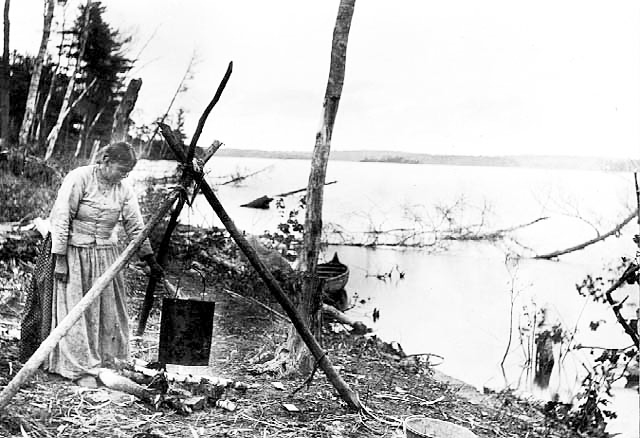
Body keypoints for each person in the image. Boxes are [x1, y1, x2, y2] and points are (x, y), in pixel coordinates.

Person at [20, 142, 162, 386]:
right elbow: (62, 218)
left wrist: (149, 258)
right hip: (74, 253)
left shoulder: (124, 189)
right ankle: (79, 367)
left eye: (128, 172)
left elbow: (136, 225)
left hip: (106, 256)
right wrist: (61, 259)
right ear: (106, 160)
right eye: (121, 169)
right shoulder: (79, 178)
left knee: (108, 311)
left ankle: (108, 363)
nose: (124, 175)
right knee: (74, 311)